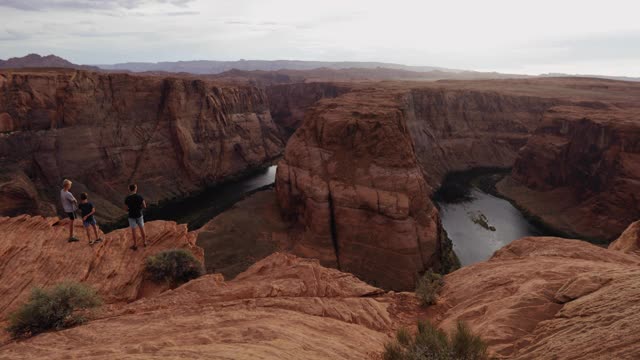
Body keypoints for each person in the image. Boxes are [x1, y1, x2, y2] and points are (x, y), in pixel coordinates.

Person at [125, 184, 147, 250]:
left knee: (133, 230)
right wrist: (139, 208)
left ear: (129, 189)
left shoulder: (127, 198)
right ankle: (144, 242)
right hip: (139, 214)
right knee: (142, 228)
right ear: (135, 188)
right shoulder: (139, 197)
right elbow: (144, 206)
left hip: (131, 215)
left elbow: (126, 209)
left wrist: (131, 209)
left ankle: (135, 245)